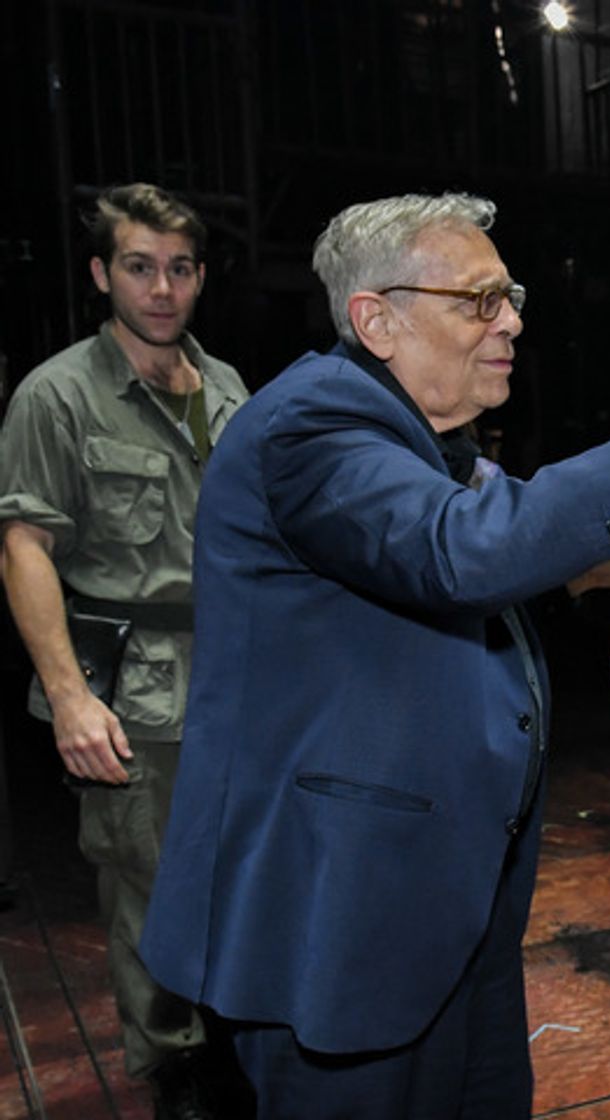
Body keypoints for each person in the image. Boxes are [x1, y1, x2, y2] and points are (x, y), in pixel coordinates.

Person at [137, 192, 610, 1119]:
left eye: (508, 296)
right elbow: (467, 550)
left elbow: (536, 549)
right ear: (377, 319)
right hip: (339, 921)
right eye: (479, 299)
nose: (511, 319)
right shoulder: (312, 428)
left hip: (438, 913)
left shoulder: (423, 442)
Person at [0, 183, 249, 1118]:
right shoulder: (58, 396)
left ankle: (228, 1051)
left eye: (180, 269)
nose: (162, 289)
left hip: (233, 676)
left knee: (235, 875)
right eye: (140, 267)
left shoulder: (226, 388)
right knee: (148, 887)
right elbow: (25, 545)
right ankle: (172, 1070)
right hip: (131, 685)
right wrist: (68, 697)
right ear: (104, 273)